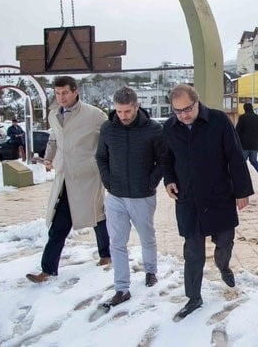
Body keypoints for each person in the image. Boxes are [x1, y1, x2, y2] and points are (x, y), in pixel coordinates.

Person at [161, 84, 254, 320]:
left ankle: (223, 266)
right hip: (188, 199)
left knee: (224, 241)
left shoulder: (219, 121)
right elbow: (166, 158)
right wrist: (169, 179)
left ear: (197, 102)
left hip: (219, 195)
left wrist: (242, 191)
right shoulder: (170, 128)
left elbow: (235, 156)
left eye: (187, 109)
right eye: (178, 111)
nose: (183, 115)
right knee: (193, 252)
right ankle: (193, 297)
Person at [26, 76, 111, 283]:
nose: (61, 97)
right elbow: (54, 138)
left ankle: (106, 255)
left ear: (75, 91)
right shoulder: (54, 114)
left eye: (64, 92)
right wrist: (48, 158)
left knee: (97, 217)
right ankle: (47, 270)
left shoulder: (94, 115)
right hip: (64, 177)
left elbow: (109, 139)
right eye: (57, 93)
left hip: (88, 177)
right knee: (58, 225)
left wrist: (104, 165)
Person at [95, 87, 165, 307]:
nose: (122, 116)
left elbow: (163, 160)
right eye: (119, 111)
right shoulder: (108, 128)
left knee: (147, 237)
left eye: (127, 111)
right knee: (117, 242)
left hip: (142, 196)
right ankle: (121, 288)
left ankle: (151, 271)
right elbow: (101, 157)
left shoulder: (153, 129)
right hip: (115, 195)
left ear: (136, 106)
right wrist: (107, 181)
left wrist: (150, 182)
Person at [235, 102, 258, 176]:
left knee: (242, 162)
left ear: (244, 109)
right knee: (253, 160)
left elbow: (238, 131)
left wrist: (236, 142)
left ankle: (240, 176)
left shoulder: (242, 117)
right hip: (255, 145)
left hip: (244, 145)